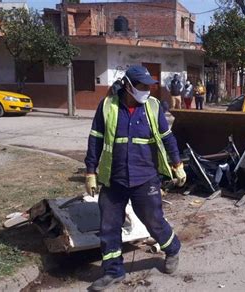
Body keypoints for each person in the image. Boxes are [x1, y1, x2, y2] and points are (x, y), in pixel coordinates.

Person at [84, 65, 187, 291]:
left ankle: (172, 249)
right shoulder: (108, 106)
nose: (146, 90)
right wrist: (90, 171)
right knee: (109, 226)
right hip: (114, 177)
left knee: (153, 220)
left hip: (145, 176)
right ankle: (113, 271)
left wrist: (177, 164)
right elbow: (96, 139)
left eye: (148, 86)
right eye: (142, 86)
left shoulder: (153, 106)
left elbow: (167, 137)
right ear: (128, 85)